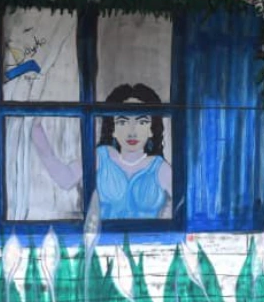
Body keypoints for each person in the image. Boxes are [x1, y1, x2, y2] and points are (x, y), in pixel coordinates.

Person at [32, 83, 173, 220]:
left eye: (141, 122)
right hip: (102, 242)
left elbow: (187, 202)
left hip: (149, 242)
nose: (132, 131)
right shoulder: (101, 157)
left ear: (151, 129)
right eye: (122, 122)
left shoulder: (160, 168)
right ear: (113, 128)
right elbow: (65, 179)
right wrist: (36, 130)